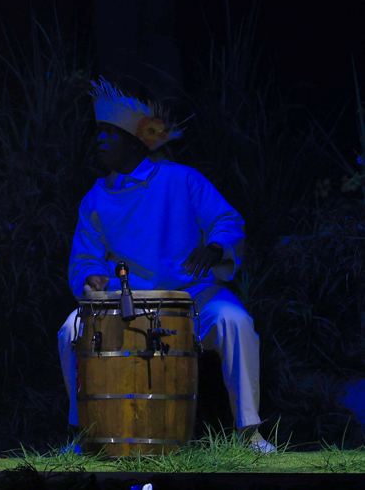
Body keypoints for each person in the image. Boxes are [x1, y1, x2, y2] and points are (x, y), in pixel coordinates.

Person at [57, 77, 275, 453]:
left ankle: (250, 431)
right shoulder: (95, 199)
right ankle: (84, 433)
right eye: (99, 133)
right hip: (125, 301)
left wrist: (216, 248)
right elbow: (85, 259)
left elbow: (228, 221)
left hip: (191, 296)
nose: (100, 141)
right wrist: (90, 277)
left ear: (134, 141)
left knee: (234, 320)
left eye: (110, 133)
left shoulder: (182, 179)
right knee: (69, 330)